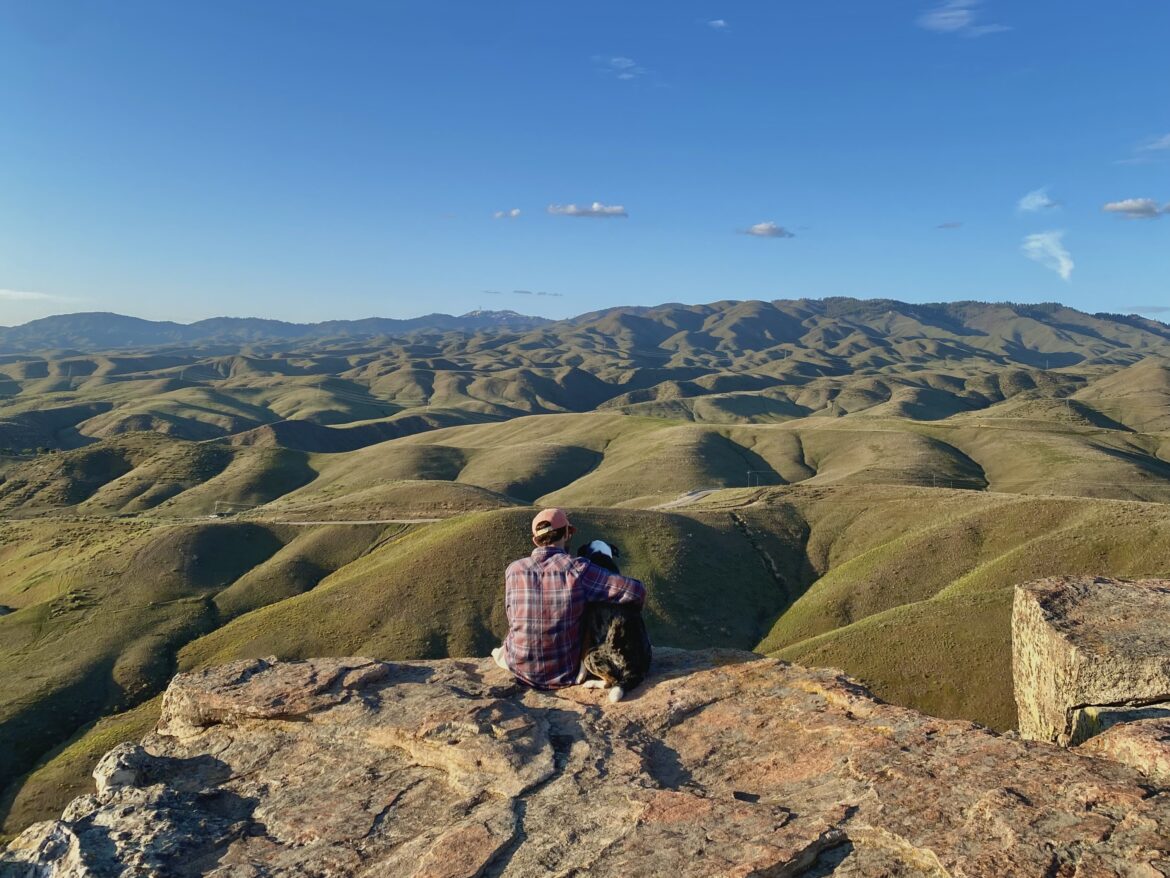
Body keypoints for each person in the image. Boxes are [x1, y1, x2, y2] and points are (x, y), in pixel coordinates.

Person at [492, 507, 645, 689]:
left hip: (520, 669)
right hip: (565, 672)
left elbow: (512, 616)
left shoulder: (513, 570)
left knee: (499, 651)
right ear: (567, 533)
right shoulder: (578, 569)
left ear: (535, 540)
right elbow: (636, 591)